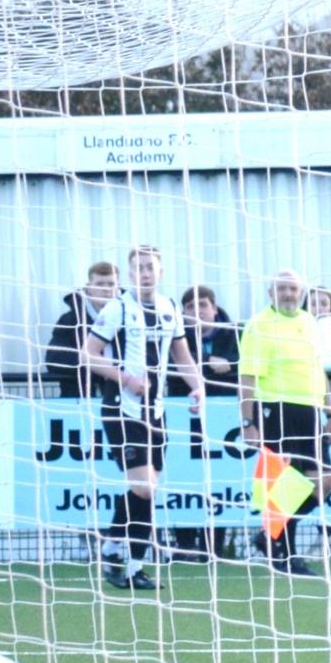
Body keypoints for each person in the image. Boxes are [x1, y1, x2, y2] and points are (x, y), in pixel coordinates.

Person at [83, 245, 203, 591]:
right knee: (144, 487)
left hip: (157, 410)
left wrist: (198, 389)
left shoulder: (170, 309)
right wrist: (126, 378)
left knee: (147, 490)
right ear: (130, 274)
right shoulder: (117, 309)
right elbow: (88, 355)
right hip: (122, 409)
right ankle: (133, 565)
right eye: (139, 268)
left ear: (161, 272)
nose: (145, 273)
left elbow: (182, 355)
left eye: (151, 267)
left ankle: (112, 549)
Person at [239, 269, 331, 575]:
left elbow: (317, 368)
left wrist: (330, 412)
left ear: (301, 293)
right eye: (282, 289)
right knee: (286, 484)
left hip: (309, 412)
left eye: (293, 289)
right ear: (271, 293)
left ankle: (268, 537)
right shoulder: (259, 326)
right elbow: (247, 377)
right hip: (275, 410)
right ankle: (288, 556)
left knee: (325, 481)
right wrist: (248, 421)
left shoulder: (309, 322)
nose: (288, 294)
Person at [44, 262, 118, 399]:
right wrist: (100, 366)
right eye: (100, 284)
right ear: (88, 288)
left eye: (111, 284)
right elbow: (54, 358)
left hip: (123, 401)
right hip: (78, 403)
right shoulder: (70, 320)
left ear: (118, 288)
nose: (106, 289)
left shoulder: (132, 319)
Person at [175, 286, 240, 400]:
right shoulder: (175, 336)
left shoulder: (237, 333)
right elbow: (172, 361)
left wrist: (227, 363)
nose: (197, 310)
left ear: (214, 309)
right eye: (191, 307)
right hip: (186, 401)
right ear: (184, 313)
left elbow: (250, 360)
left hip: (230, 401)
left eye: (203, 305)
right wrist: (207, 360)